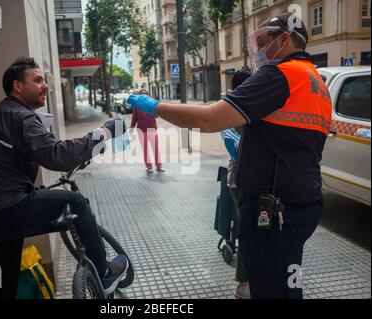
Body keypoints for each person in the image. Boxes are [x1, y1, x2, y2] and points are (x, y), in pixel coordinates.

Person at [127, 13, 332, 299]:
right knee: (287, 283)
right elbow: (282, 133)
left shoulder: (281, 75)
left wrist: (154, 106)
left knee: (270, 289)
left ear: (284, 39)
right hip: (300, 205)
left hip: (272, 210)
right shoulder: (316, 81)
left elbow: (209, 120)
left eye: (262, 42)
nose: (257, 50)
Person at [0, 57, 128, 299]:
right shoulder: (21, 116)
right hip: (7, 211)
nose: (45, 86)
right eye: (38, 80)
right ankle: (104, 271)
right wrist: (104, 132)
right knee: (75, 203)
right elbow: (57, 155)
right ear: (17, 86)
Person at [220, 68, 252, 299]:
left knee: (254, 231)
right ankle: (243, 284)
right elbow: (234, 147)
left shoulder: (254, 105)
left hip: (257, 179)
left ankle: (250, 281)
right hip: (239, 180)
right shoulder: (230, 109)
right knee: (248, 232)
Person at [130, 89, 165, 174]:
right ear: (140, 95)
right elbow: (134, 118)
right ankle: (149, 167)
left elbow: (157, 115)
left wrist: (155, 109)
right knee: (145, 149)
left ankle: (159, 165)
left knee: (155, 148)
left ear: (148, 95)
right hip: (141, 130)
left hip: (152, 129)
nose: (144, 95)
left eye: (146, 94)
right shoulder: (136, 106)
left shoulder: (152, 104)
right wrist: (131, 128)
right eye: (142, 94)